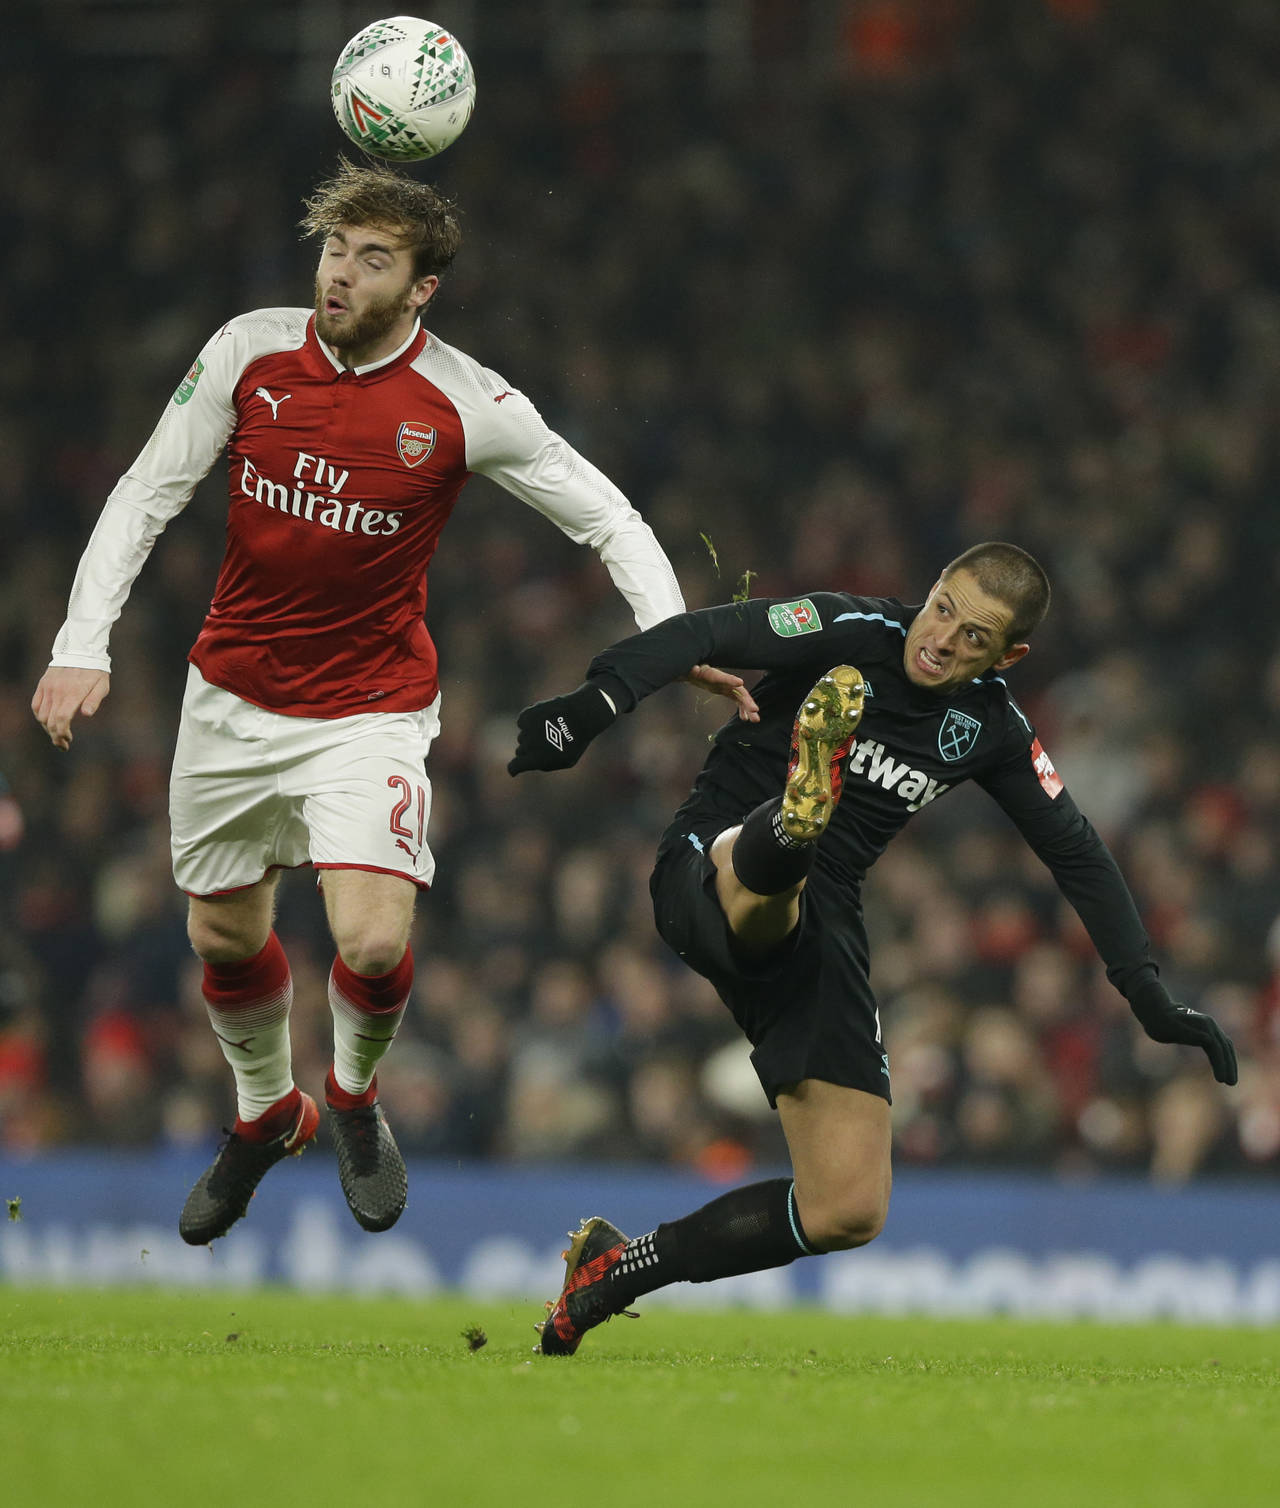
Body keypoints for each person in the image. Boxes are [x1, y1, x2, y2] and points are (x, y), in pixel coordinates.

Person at [31, 160, 753, 1245]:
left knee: (369, 942)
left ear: (423, 288)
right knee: (222, 935)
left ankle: (354, 1100)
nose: (340, 273)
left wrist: (670, 633)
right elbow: (146, 492)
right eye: (334, 249)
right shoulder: (246, 351)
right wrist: (81, 642)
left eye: (372, 260)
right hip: (228, 698)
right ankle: (267, 1113)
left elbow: (609, 516)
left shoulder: (468, 402)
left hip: (368, 708)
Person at [508, 540, 1238, 1355]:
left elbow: (1075, 849)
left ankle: (612, 1271)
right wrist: (592, 706)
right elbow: (700, 634)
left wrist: (1147, 992)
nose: (943, 639)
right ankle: (789, 826)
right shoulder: (846, 628)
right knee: (774, 877)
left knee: (847, 1208)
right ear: (931, 587)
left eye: (975, 636)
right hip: (705, 862)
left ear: (1008, 656)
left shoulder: (991, 726)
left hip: (823, 920)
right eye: (943, 609)